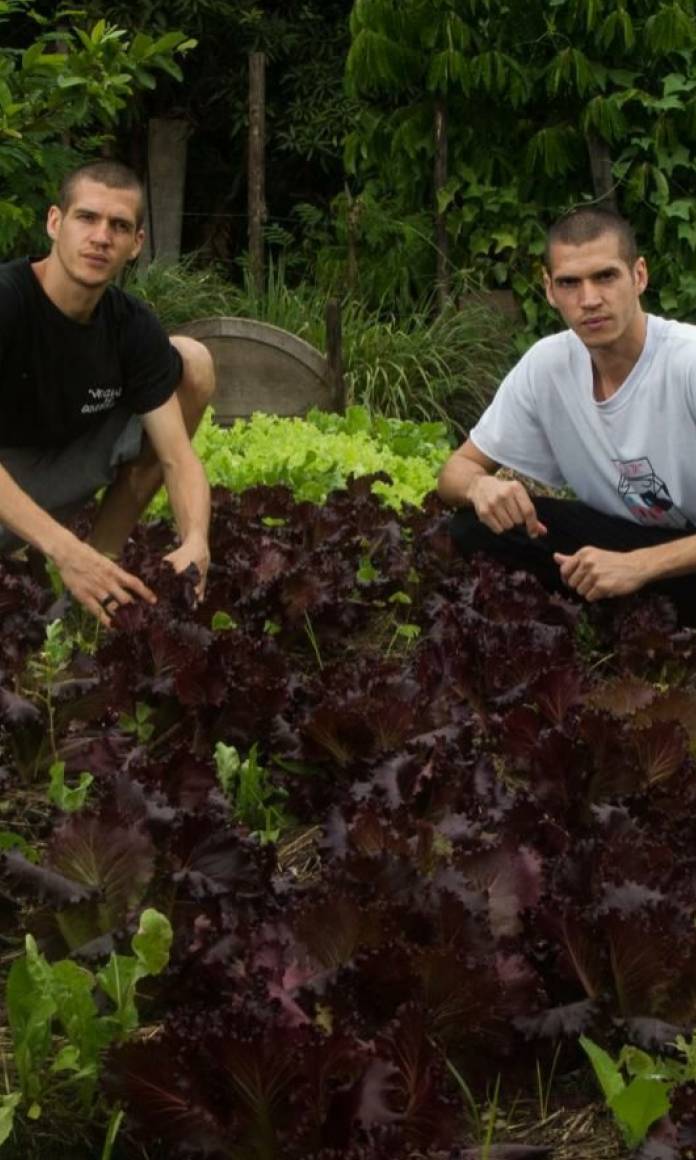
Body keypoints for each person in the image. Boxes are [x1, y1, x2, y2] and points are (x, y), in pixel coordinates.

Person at [438, 205, 696, 622]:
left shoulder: (687, 363)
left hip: (682, 554)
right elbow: (456, 470)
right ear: (549, 290)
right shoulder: (548, 365)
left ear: (639, 276)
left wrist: (639, 566)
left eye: (606, 276)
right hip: (622, 538)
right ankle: (620, 616)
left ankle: (635, 612)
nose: (589, 299)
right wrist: (479, 488)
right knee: (475, 527)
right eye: (570, 283)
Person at [0, 159, 214, 625]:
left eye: (119, 226)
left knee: (192, 362)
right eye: (87, 218)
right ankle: (67, 561)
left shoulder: (130, 326)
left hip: (53, 473)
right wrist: (63, 550)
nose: (101, 237)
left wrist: (196, 538)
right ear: (55, 223)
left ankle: (93, 587)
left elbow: (178, 458)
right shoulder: (8, 301)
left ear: (136, 245)